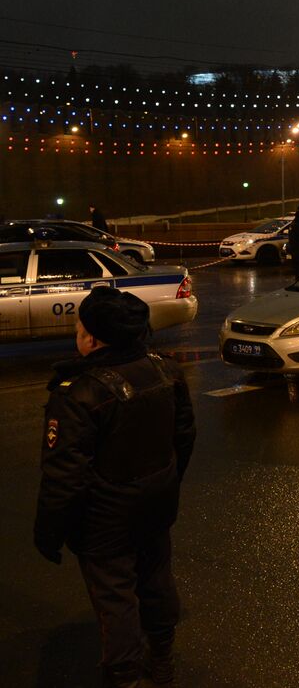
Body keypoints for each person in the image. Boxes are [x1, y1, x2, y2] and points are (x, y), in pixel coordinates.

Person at [34, 287, 196, 688]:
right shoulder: (165, 370)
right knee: (156, 578)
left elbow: (64, 477)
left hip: (105, 520)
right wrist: (166, 483)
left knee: (115, 600)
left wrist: (49, 534)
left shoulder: (79, 394)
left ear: (91, 337)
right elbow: (184, 437)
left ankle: (124, 676)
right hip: (156, 504)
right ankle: (161, 662)